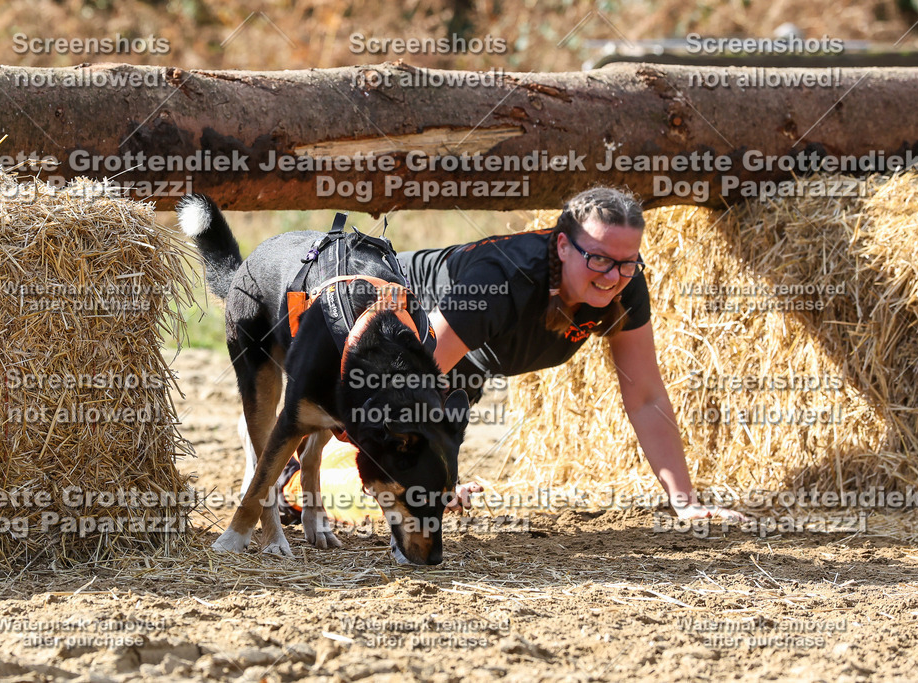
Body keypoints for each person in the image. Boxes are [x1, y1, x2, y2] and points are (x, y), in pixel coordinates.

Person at [272, 186, 744, 523]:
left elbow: (644, 397)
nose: (612, 275)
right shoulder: (500, 282)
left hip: (464, 365)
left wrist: (684, 500)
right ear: (562, 245)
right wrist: (429, 479)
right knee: (367, 470)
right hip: (392, 326)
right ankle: (286, 481)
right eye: (598, 258)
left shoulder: (625, 285)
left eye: (627, 262)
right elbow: (411, 381)